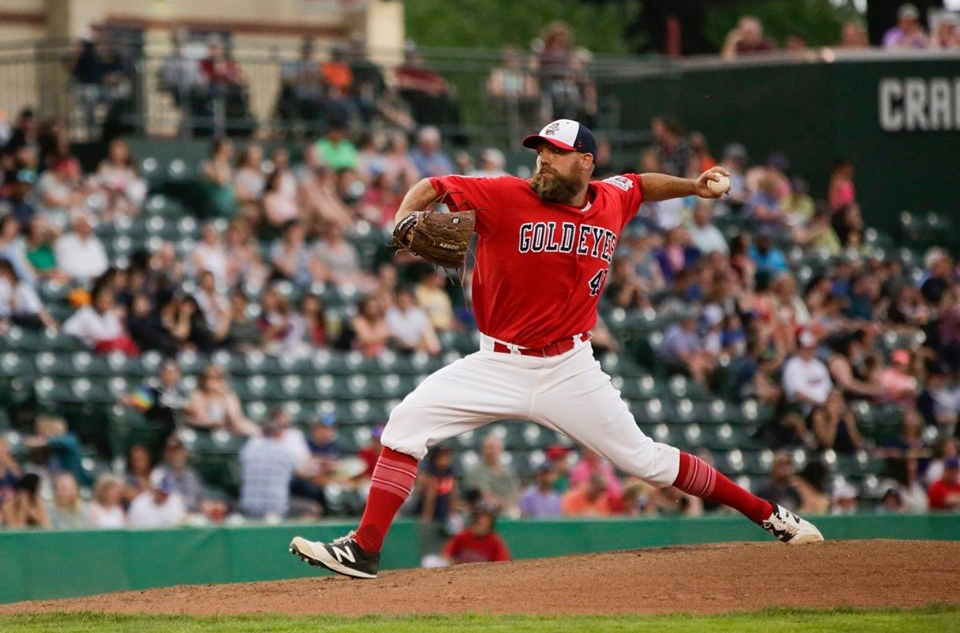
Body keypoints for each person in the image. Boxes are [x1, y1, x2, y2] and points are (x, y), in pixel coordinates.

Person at [290, 118, 823, 580]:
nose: (542, 161)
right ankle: (364, 551)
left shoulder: (611, 198)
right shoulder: (504, 194)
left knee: (647, 462)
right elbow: (432, 184)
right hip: (498, 362)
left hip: (571, 368)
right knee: (406, 423)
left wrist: (695, 187)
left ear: (585, 163)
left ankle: (770, 516)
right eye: (539, 152)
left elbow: (641, 184)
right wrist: (403, 222)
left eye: (554, 154)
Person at [441, 503, 511, 565]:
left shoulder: (495, 542)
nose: (483, 522)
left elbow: (503, 564)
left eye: (487, 519)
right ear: (474, 519)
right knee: (432, 561)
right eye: (480, 518)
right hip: (458, 575)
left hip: (483, 577)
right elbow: (446, 554)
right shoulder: (463, 535)